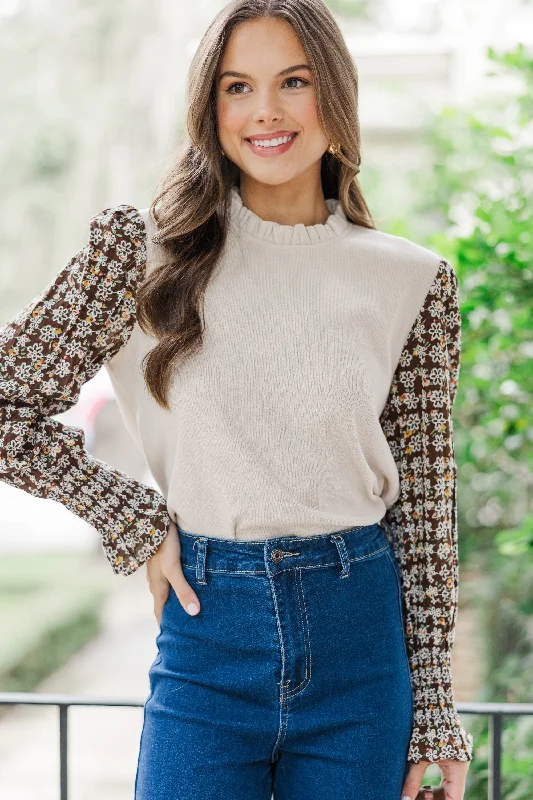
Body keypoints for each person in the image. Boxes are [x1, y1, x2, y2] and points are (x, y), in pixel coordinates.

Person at [0, 1, 474, 798]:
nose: (266, 112)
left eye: (293, 81)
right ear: (207, 107)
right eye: (236, 87)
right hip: (207, 634)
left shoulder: (412, 281)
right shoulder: (137, 254)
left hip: (361, 642)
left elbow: (425, 506)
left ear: (335, 91)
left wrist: (434, 708)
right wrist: (133, 518)